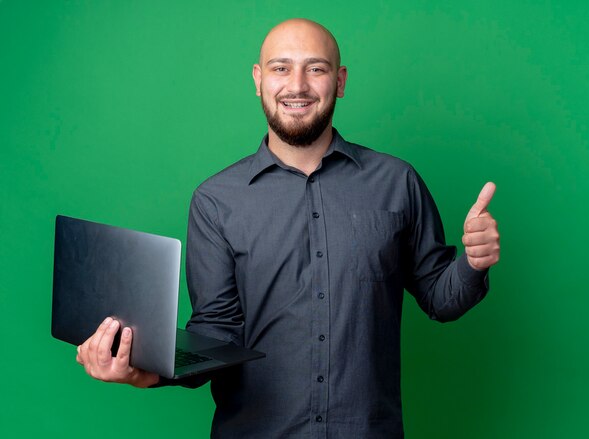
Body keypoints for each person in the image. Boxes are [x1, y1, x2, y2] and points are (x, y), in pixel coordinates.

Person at [76, 18, 500, 438]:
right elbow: (216, 332)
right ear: (259, 80)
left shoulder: (397, 182)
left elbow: (442, 299)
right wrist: (142, 371)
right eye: (281, 68)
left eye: (315, 68)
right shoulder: (215, 201)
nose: (297, 85)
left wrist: (474, 263)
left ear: (340, 81)